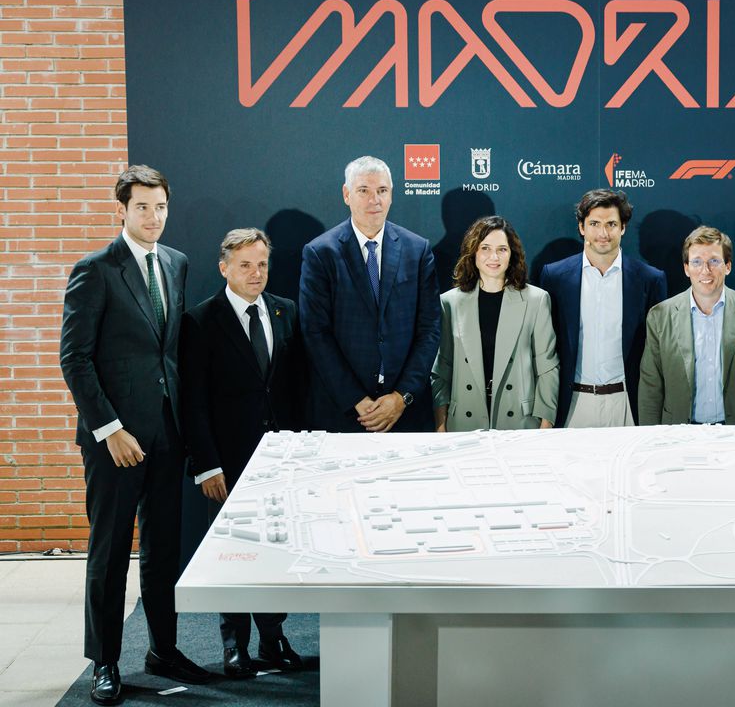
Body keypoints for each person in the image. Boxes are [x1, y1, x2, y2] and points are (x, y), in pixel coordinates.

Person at [59, 165, 210, 706]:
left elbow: (167, 353)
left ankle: (163, 650)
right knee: (109, 553)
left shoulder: (176, 262)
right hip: (115, 442)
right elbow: (75, 359)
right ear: (121, 209)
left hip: (166, 434)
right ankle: (104, 661)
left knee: (163, 551)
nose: (154, 216)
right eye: (143, 207)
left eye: (161, 206)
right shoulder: (96, 269)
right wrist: (110, 430)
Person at [179, 228, 307, 678]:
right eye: (246, 265)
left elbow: (295, 387)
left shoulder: (286, 311)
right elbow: (193, 402)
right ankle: (235, 644)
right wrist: (206, 465)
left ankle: (273, 639)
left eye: (262, 264)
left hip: (279, 460)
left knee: (274, 550)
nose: (256, 273)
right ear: (225, 268)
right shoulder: (201, 320)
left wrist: (298, 451)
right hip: (227, 461)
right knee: (233, 553)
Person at [299, 155, 440, 433]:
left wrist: (401, 397)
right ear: (346, 194)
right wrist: (356, 400)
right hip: (345, 414)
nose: (374, 200)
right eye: (364, 190)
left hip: (405, 413)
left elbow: (430, 328)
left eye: (382, 190)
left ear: (391, 195)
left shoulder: (417, 250)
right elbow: (315, 332)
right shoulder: (320, 253)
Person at [539, 189, 667, 428]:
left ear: (623, 228)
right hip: (573, 403)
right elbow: (546, 346)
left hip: (627, 404)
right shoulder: (555, 276)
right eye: (595, 224)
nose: (603, 233)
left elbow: (658, 351)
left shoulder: (650, 279)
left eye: (611, 224)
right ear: (582, 227)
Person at [431, 216, 558, 431]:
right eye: (485, 248)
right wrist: (440, 425)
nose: (494, 257)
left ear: (512, 254)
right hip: (463, 422)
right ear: (473, 252)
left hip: (520, 422)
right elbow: (441, 370)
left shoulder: (536, 300)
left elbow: (547, 368)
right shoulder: (450, 303)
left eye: (502, 249)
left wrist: (545, 426)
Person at [639, 225, 735, 425]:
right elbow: (651, 384)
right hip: (678, 431)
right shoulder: (660, 316)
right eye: (696, 262)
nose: (705, 270)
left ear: (728, 266)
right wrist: (651, 436)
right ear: (686, 268)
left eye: (714, 261)